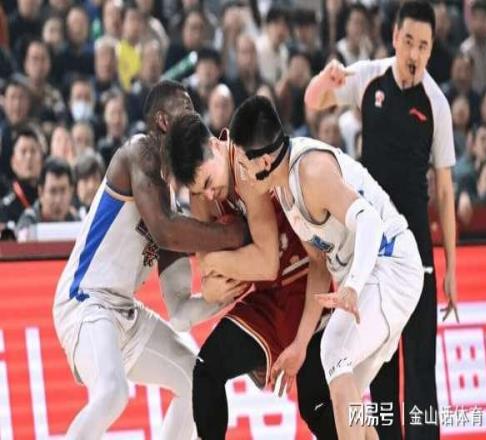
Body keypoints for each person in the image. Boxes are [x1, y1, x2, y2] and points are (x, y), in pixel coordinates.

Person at [53, 80, 248, 439]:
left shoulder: (170, 204)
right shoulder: (138, 153)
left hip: (123, 311)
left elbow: (180, 312)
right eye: (186, 109)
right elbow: (165, 231)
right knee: (112, 393)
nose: (195, 117)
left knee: (195, 379)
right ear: (162, 121)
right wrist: (235, 235)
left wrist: (231, 293)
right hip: (85, 301)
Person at [225, 94, 424, 440]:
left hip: (391, 266)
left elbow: (369, 221)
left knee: (334, 351)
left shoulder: (311, 172)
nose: (241, 174)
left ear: (265, 160)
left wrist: (352, 286)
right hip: (371, 276)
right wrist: (301, 344)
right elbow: (318, 265)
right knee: (348, 402)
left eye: (243, 164)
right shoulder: (282, 186)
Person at [304, 2, 457, 439]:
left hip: (417, 254)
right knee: (378, 369)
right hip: (371, 247)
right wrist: (325, 78)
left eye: (423, 46)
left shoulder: (436, 103)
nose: (414, 53)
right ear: (394, 38)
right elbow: (314, 101)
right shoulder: (369, 77)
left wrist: (451, 268)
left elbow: (445, 191)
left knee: (420, 365)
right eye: (408, 41)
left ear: (431, 50)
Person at [167, 113, 338, 439]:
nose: (209, 194)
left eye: (208, 182)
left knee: (316, 407)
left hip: (304, 284)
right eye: (199, 190)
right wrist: (218, 268)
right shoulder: (202, 195)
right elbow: (211, 287)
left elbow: (266, 262)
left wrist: (217, 261)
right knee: (206, 369)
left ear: (216, 145)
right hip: (267, 297)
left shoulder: (245, 162)